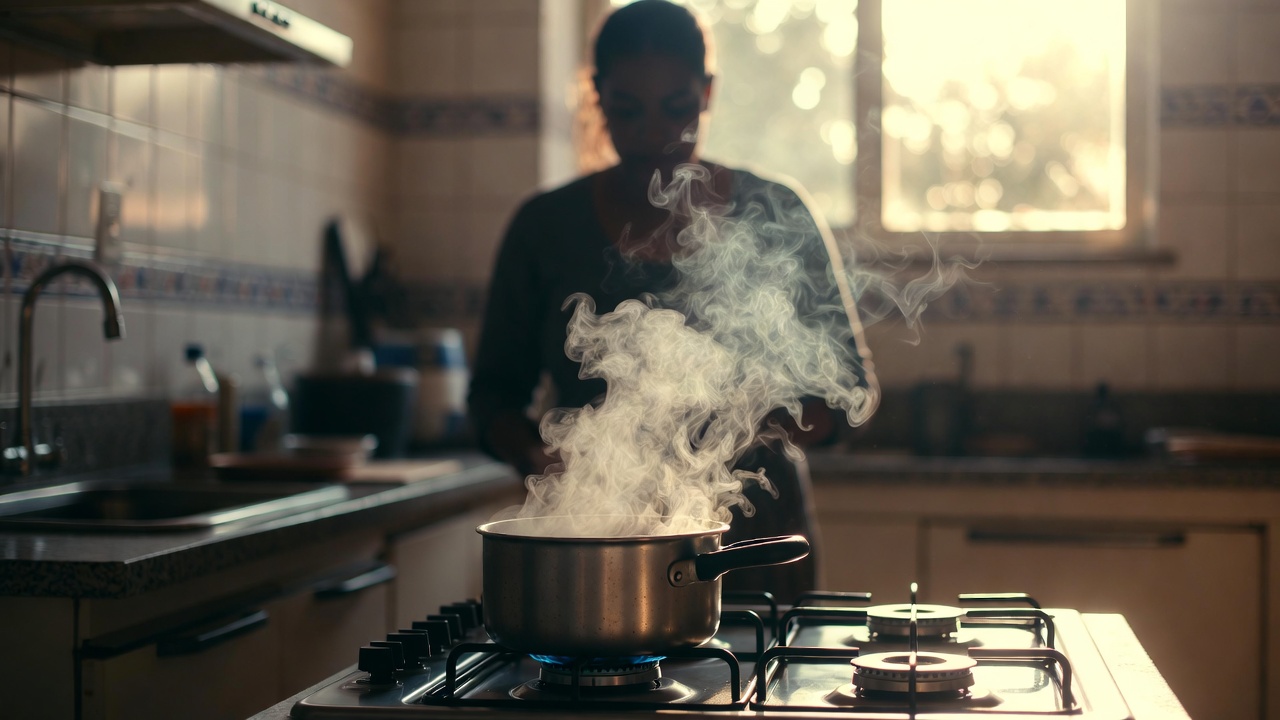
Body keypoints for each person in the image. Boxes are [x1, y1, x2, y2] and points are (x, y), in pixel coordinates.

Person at [467, 0, 873, 603]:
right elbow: (492, 398)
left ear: (707, 93)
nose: (654, 134)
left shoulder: (776, 211)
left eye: (677, 108)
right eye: (628, 111)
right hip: (601, 542)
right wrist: (543, 455)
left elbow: (849, 391)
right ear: (597, 95)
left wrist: (736, 434)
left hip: (755, 546)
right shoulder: (545, 228)